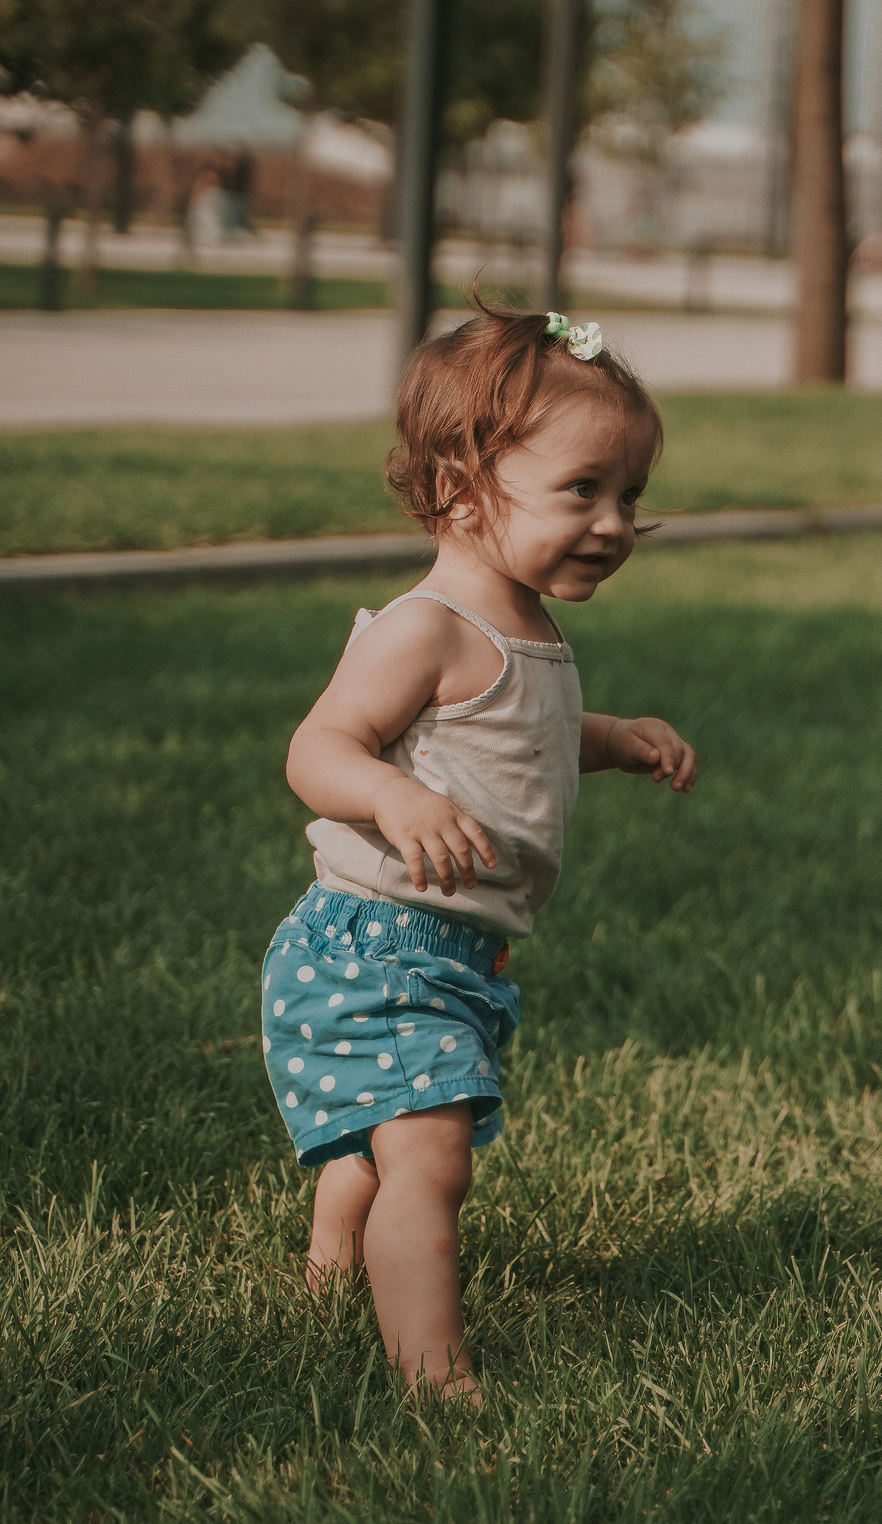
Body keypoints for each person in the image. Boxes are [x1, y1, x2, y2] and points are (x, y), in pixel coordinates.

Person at [268, 305, 699, 1404]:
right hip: (373, 947)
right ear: (461, 488)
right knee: (433, 1157)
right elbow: (318, 747)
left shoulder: (529, 630)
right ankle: (433, 1372)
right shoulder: (427, 626)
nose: (611, 523)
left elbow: (524, 741)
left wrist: (615, 740)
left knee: (385, 1136)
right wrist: (391, 796)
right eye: (581, 491)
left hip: (454, 952)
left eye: (627, 497)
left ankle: (324, 1279)